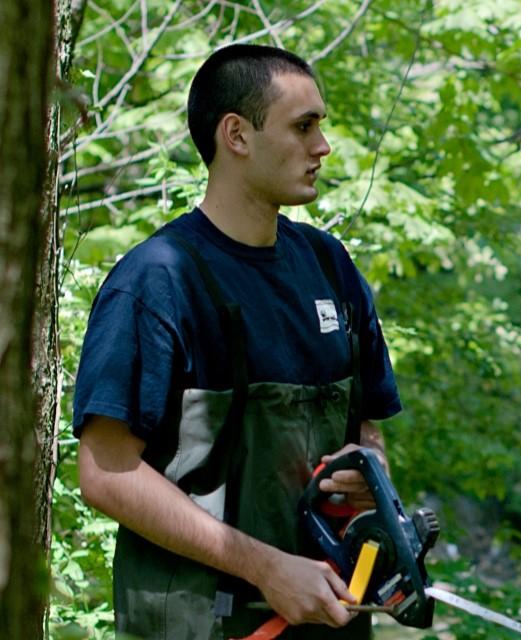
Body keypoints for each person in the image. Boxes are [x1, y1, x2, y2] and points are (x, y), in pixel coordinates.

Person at [71, 44, 401, 639]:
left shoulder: (330, 268)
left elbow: (368, 429)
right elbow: (105, 472)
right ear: (237, 135)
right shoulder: (159, 281)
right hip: (203, 623)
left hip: (332, 617)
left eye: (320, 127)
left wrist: (368, 471)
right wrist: (267, 567)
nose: (322, 147)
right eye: (303, 127)